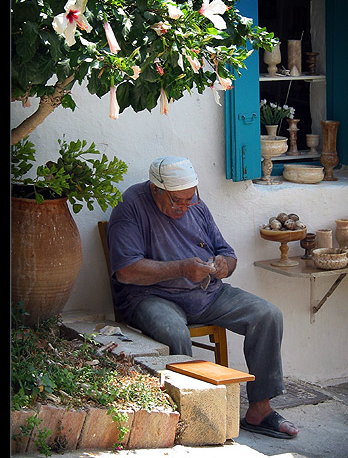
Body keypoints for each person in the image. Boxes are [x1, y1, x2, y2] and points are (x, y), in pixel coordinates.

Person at [107, 156, 299, 439]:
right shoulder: (131, 206)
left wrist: (224, 264)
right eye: (177, 202)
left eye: (189, 199)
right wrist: (181, 269)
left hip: (206, 293)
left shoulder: (195, 204)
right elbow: (125, 271)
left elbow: (228, 253)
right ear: (156, 190)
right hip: (151, 296)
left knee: (267, 315)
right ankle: (186, 417)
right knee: (175, 333)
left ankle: (260, 410)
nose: (185, 207)